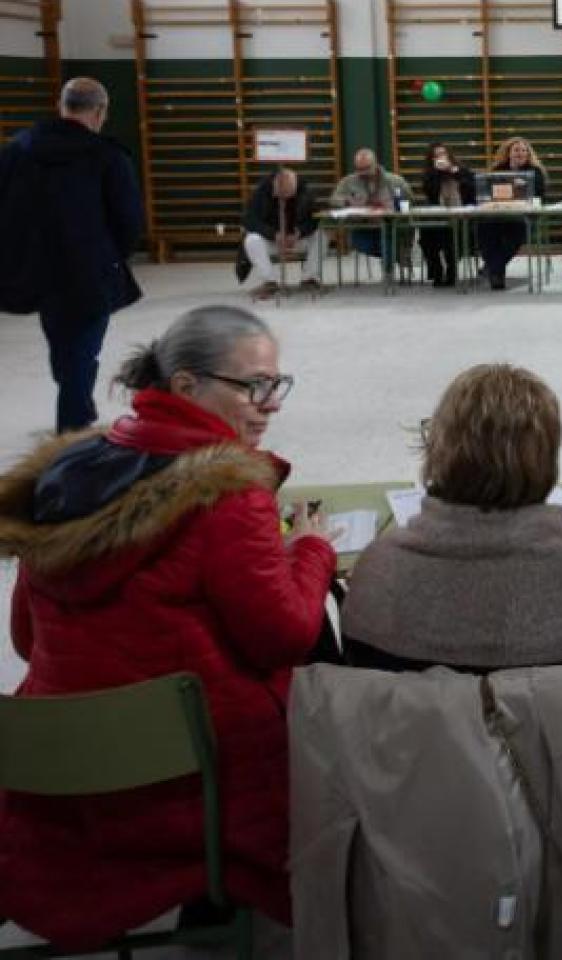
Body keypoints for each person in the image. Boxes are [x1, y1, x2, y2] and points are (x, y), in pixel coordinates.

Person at [0, 306, 335, 950]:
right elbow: (285, 636)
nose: (270, 404)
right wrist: (311, 550)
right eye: (253, 386)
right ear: (186, 386)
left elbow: (24, 639)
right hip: (192, 783)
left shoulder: (70, 472)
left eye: (276, 384)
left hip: (57, 775)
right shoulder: (229, 493)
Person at [340, 363, 562, 759]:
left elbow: (360, 667)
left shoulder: (378, 566)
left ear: (438, 448)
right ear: (545, 458)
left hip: (415, 802)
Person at [0, 77, 143, 434]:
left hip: (37, 267)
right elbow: (127, 219)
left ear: (62, 106)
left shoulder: (18, 150)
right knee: (83, 348)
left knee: (63, 342)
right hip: (90, 268)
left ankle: (78, 403)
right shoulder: (107, 155)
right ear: (99, 111)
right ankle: (73, 424)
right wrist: (114, 256)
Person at [239, 166, 325, 300]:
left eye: (288, 196)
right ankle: (270, 282)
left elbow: (315, 220)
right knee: (251, 240)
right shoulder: (261, 191)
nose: (284, 201)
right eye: (281, 196)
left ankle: (309, 278)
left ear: (295, 188)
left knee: (322, 235)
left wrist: (299, 232)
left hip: (296, 240)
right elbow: (249, 220)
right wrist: (273, 234)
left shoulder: (306, 192)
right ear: (274, 186)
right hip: (272, 241)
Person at [329, 147, 414, 277]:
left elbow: (410, 200)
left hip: (391, 224)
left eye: (366, 168)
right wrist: (347, 202)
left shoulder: (395, 181)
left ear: (376, 164)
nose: (362, 172)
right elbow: (334, 200)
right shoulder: (348, 182)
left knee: (388, 236)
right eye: (359, 169)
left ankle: (388, 271)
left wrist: (392, 205)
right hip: (362, 226)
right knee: (384, 243)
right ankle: (397, 257)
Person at [478, 136, 547, 290]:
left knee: (516, 233)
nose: (520, 153)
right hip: (498, 214)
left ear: (528, 154)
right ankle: (495, 271)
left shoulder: (535, 172)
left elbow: (539, 195)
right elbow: (488, 192)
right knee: (484, 228)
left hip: (522, 216)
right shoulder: (497, 170)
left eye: (524, 150)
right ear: (508, 153)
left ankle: (493, 268)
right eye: (516, 150)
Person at [418, 142, 475, 287]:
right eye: (436, 155)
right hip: (438, 215)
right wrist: (438, 172)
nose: (440, 158)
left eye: (443, 154)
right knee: (425, 236)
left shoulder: (462, 170)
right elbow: (429, 191)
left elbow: (471, 188)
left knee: (451, 236)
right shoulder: (429, 175)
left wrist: (452, 171)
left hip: (461, 215)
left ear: (449, 156)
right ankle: (436, 270)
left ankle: (451, 271)